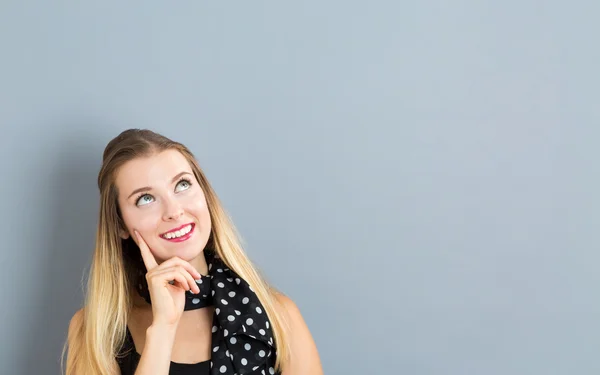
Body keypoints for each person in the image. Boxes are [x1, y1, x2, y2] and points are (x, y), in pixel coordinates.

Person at [63, 129, 323, 375]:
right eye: (145, 199)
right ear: (120, 224)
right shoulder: (95, 331)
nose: (174, 210)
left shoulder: (279, 314)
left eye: (182, 185)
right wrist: (163, 328)